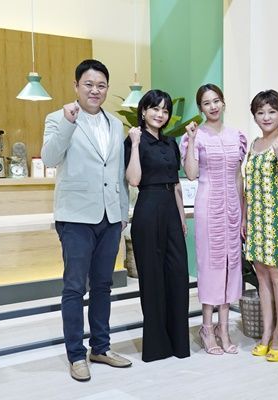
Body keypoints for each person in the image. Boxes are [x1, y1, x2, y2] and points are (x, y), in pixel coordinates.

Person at [41, 59, 132, 382]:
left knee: (104, 285)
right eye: (89, 84)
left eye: (101, 85)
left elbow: (118, 173)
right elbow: (50, 158)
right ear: (76, 86)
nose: (95, 90)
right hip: (75, 217)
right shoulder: (58, 118)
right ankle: (76, 355)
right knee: (74, 288)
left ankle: (101, 348)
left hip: (110, 217)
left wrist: (122, 212)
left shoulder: (115, 124)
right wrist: (68, 123)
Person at [124, 89, 190, 362]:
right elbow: (134, 180)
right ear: (143, 111)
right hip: (148, 209)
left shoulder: (171, 142)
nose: (160, 114)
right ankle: (156, 346)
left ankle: (178, 343)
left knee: (177, 274)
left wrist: (181, 217)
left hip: (171, 210)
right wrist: (135, 144)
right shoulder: (134, 139)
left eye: (165, 110)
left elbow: (176, 184)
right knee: (152, 278)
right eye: (155, 108)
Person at [181, 84, 247, 355]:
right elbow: (191, 174)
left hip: (232, 207)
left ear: (223, 102)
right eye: (207, 103)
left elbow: (238, 177)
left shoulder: (236, 136)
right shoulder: (195, 136)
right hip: (208, 205)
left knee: (232, 265)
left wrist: (242, 214)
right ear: (200, 108)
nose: (213, 106)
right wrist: (192, 140)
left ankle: (224, 329)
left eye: (216, 101)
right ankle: (207, 328)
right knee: (211, 265)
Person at [244, 90, 278, 362]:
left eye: (272, 112)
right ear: (255, 115)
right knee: (262, 277)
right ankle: (266, 332)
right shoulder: (254, 144)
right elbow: (248, 185)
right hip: (257, 219)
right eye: (260, 112)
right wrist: (245, 218)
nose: (266, 117)